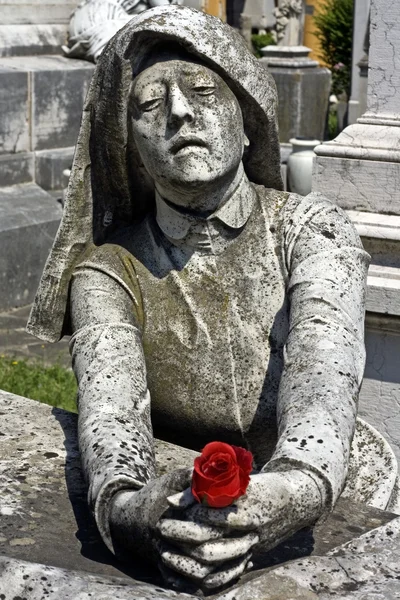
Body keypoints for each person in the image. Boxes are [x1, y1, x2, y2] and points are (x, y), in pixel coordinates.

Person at [27, 5, 398, 592]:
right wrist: (131, 511)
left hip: (316, 489)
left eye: (203, 90)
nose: (179, 112)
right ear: (131, 148)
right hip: (177, 489)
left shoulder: (312, 231)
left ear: (246, 119)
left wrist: (292, 486)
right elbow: (112, 415)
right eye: (149, 105)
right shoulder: (110, 269)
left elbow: (322, 378)